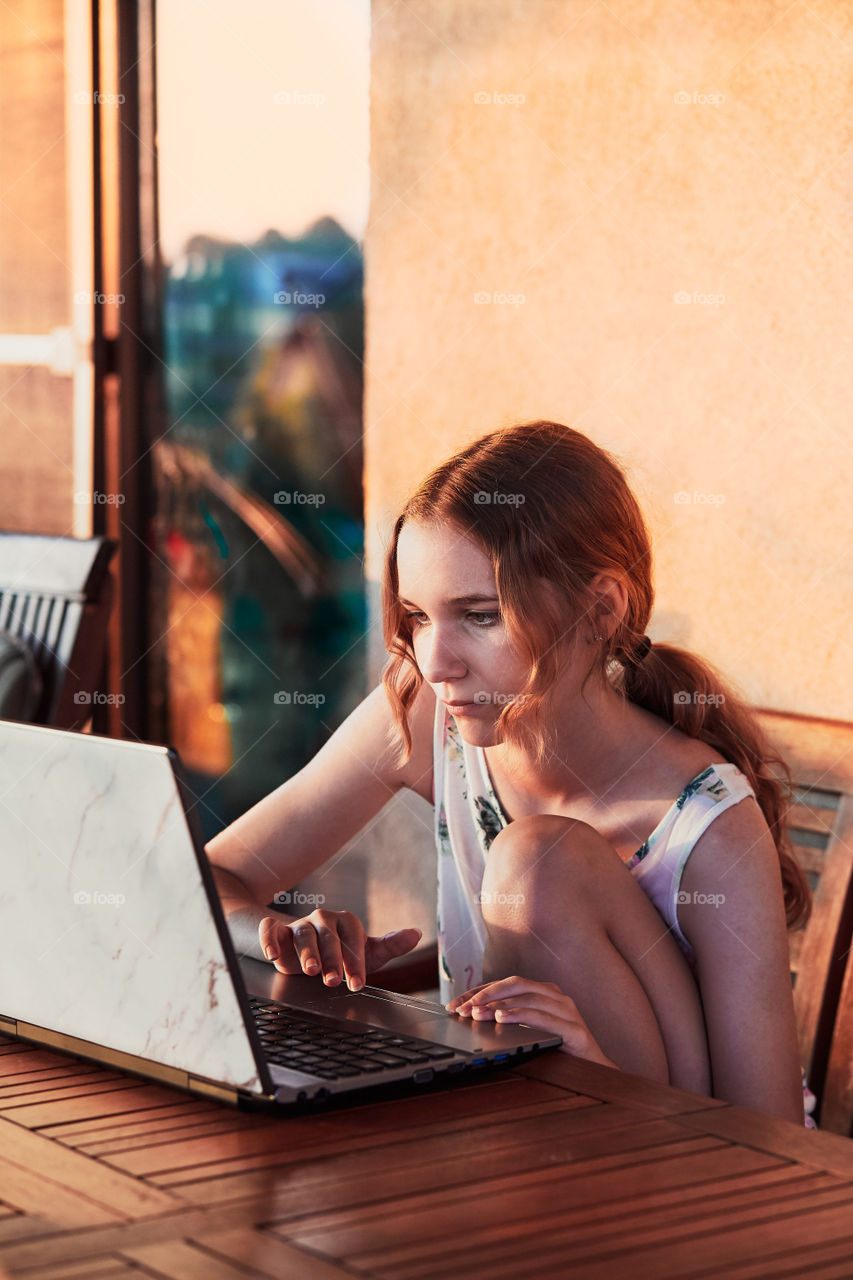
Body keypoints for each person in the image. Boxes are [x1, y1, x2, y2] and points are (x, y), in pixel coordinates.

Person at [206, 419, 813, 1127]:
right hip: (515, 1142)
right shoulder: (422, 713)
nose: (436, 662)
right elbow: (210, 878)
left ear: (600, 608)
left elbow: (764, 1139)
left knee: (536, 861)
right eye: (418, 618)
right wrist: (277, 934)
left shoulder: (704, 824)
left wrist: (603, 1077)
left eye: (479, 616)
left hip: (674, 1163)